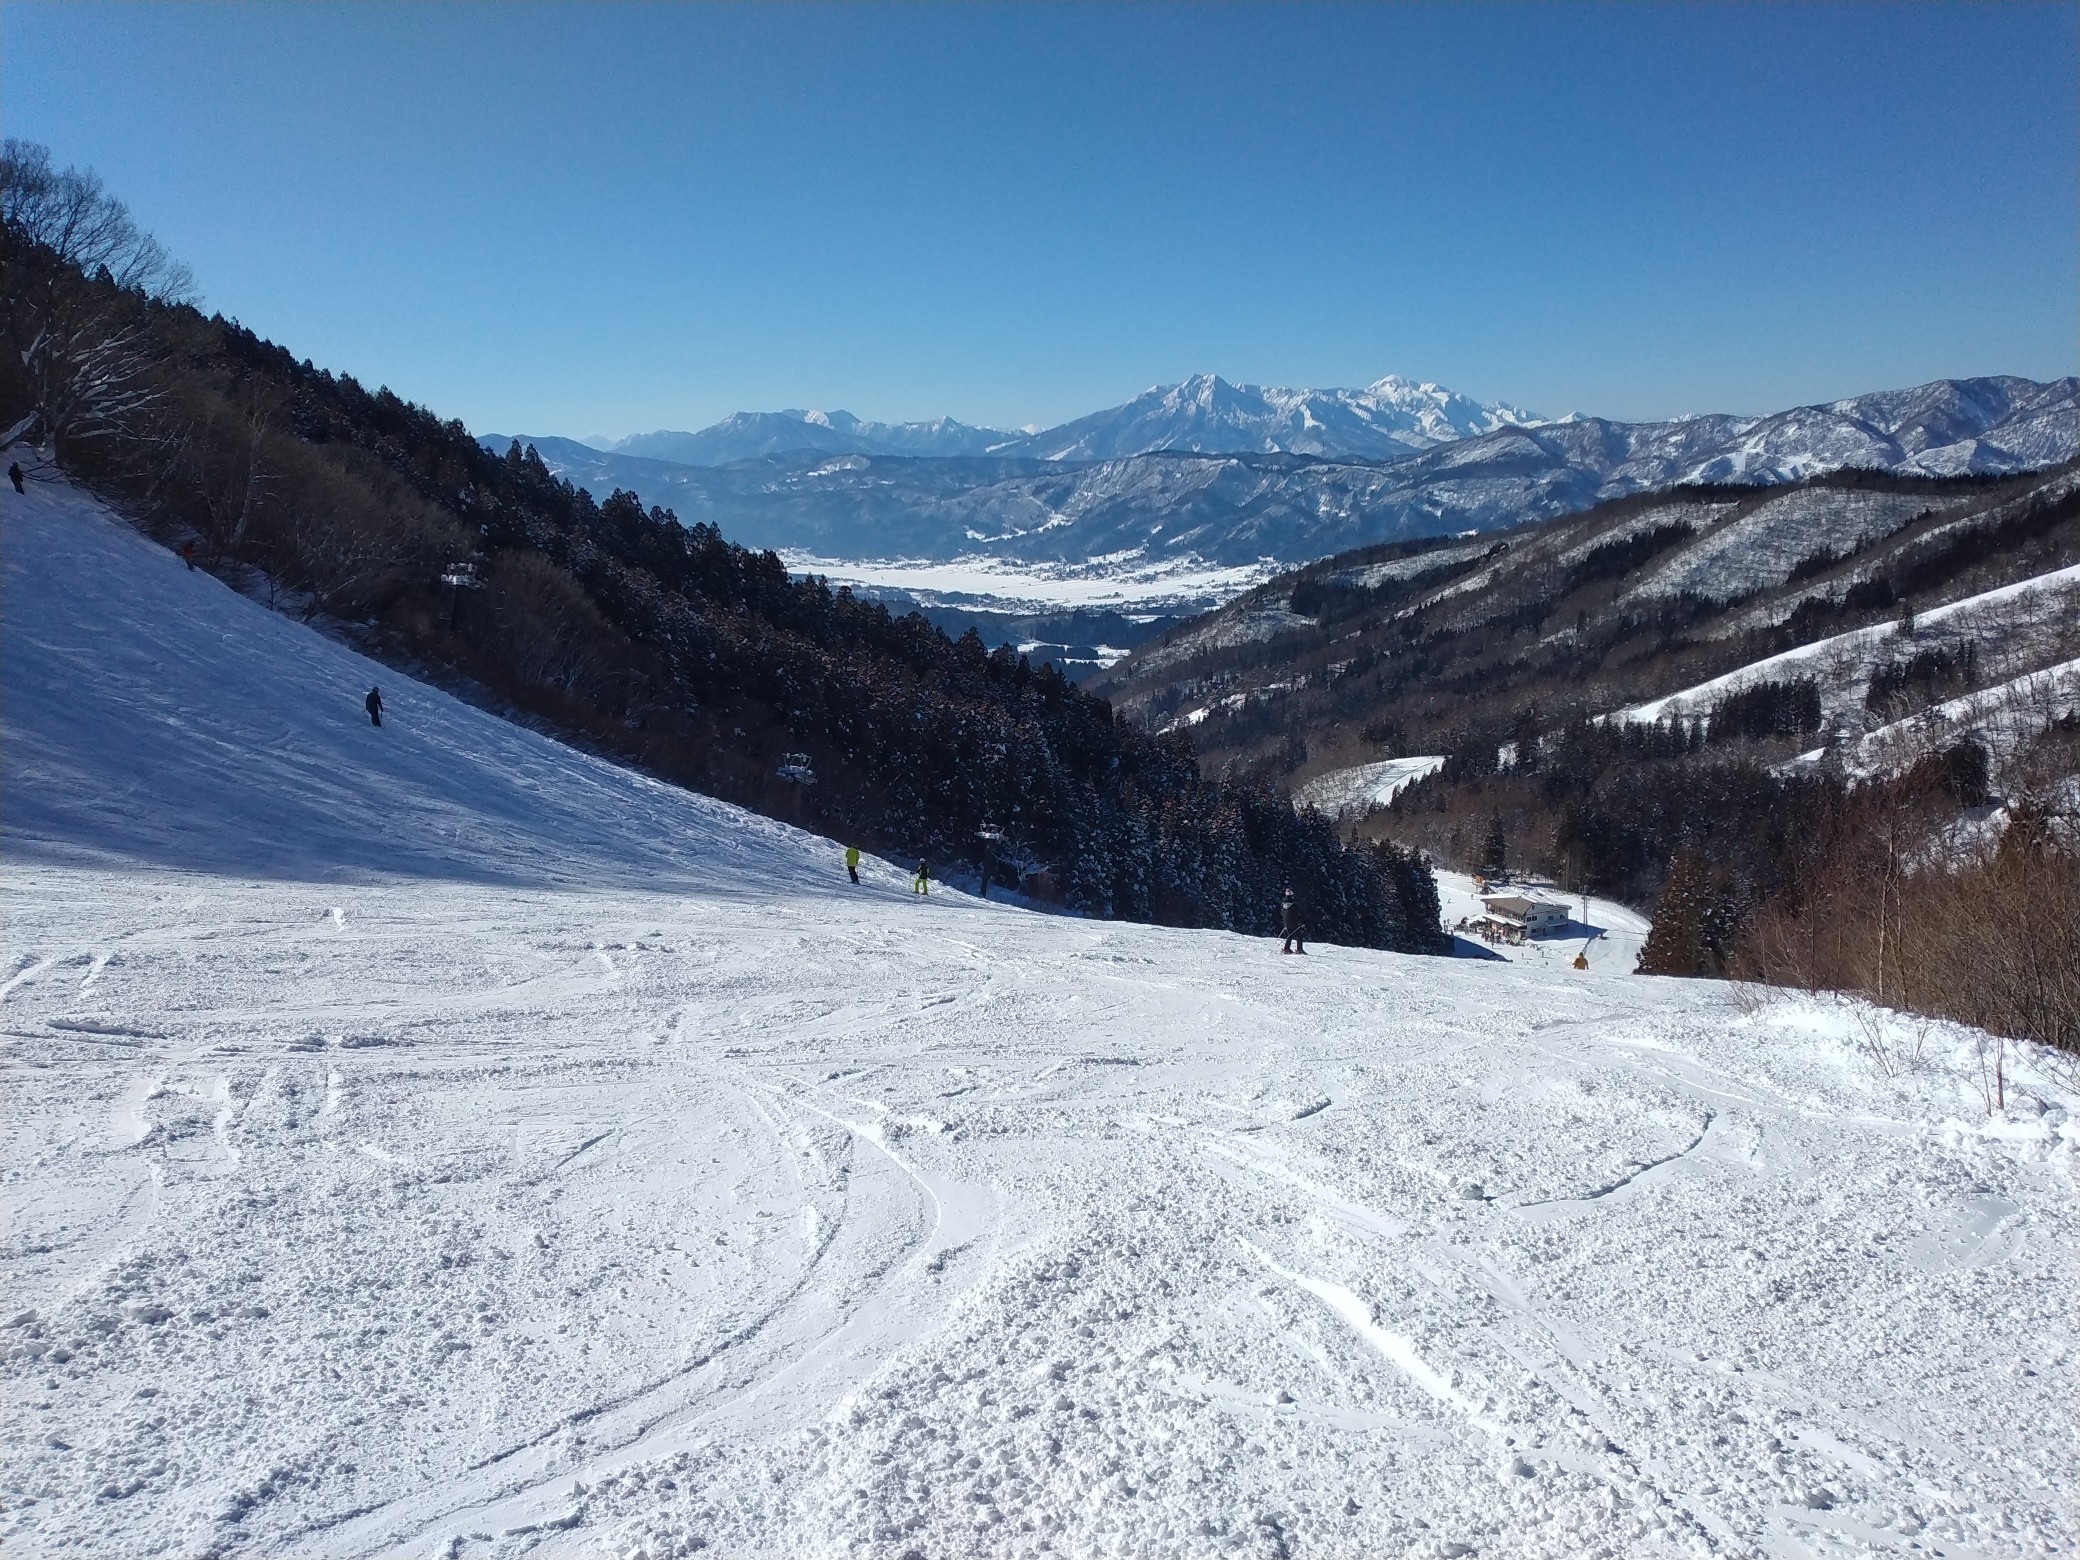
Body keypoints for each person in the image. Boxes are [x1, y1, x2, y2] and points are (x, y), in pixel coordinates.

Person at [1280, 887, 1306, 955]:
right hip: (1294, 923)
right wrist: (1300, 922)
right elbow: (1297, 915)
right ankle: (1299, 949)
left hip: (1286, 924)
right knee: (1299, 936)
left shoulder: (1283, 904)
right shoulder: (1294, 905)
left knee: (1290, 936)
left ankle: (1286, 948)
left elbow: (1282, 914)